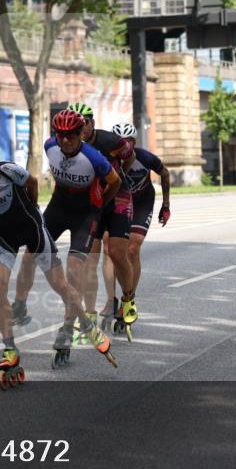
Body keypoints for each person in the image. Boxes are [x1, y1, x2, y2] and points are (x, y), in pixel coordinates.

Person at [0, 133, 114, 386]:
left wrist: (32, 209)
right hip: (4, 235)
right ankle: (10, 349)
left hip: (33, 230)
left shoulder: (7, 170)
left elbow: (33, 182)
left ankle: (86, 324)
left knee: (60, 285)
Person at [41, 109, 120, 368]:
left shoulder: (93, 157)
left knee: (74, 269)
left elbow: (115, 181)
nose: (65, 140)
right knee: (33, 253)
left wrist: (101, 202)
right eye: (61, 135)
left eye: (71, 135)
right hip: (59, 206)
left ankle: (67, 328)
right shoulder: (49, 146)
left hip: (86, 214)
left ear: (80, 134)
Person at [65, 102, 139, 338]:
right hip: (94, 202)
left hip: (118, 197)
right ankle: (89, 315)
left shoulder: (110, 141)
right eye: (76, 125)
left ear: (92, 123)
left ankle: (127, 298)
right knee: (89, 260)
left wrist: (120, 174)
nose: (80, 128)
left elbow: (131, 155)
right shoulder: (67, 146)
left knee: (116, 253)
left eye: (84, 123)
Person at [98, 122, 171, 337]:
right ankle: (111, 299)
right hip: (119, 201)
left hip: (141, 202)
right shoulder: (105, 158)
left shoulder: (144, 157)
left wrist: (166, 205)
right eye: (120, 141)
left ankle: (128, 299)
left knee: (132, 248)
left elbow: (165, 173)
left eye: (129, 141)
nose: (125, 146)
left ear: (134, 142)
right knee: (108, 248)